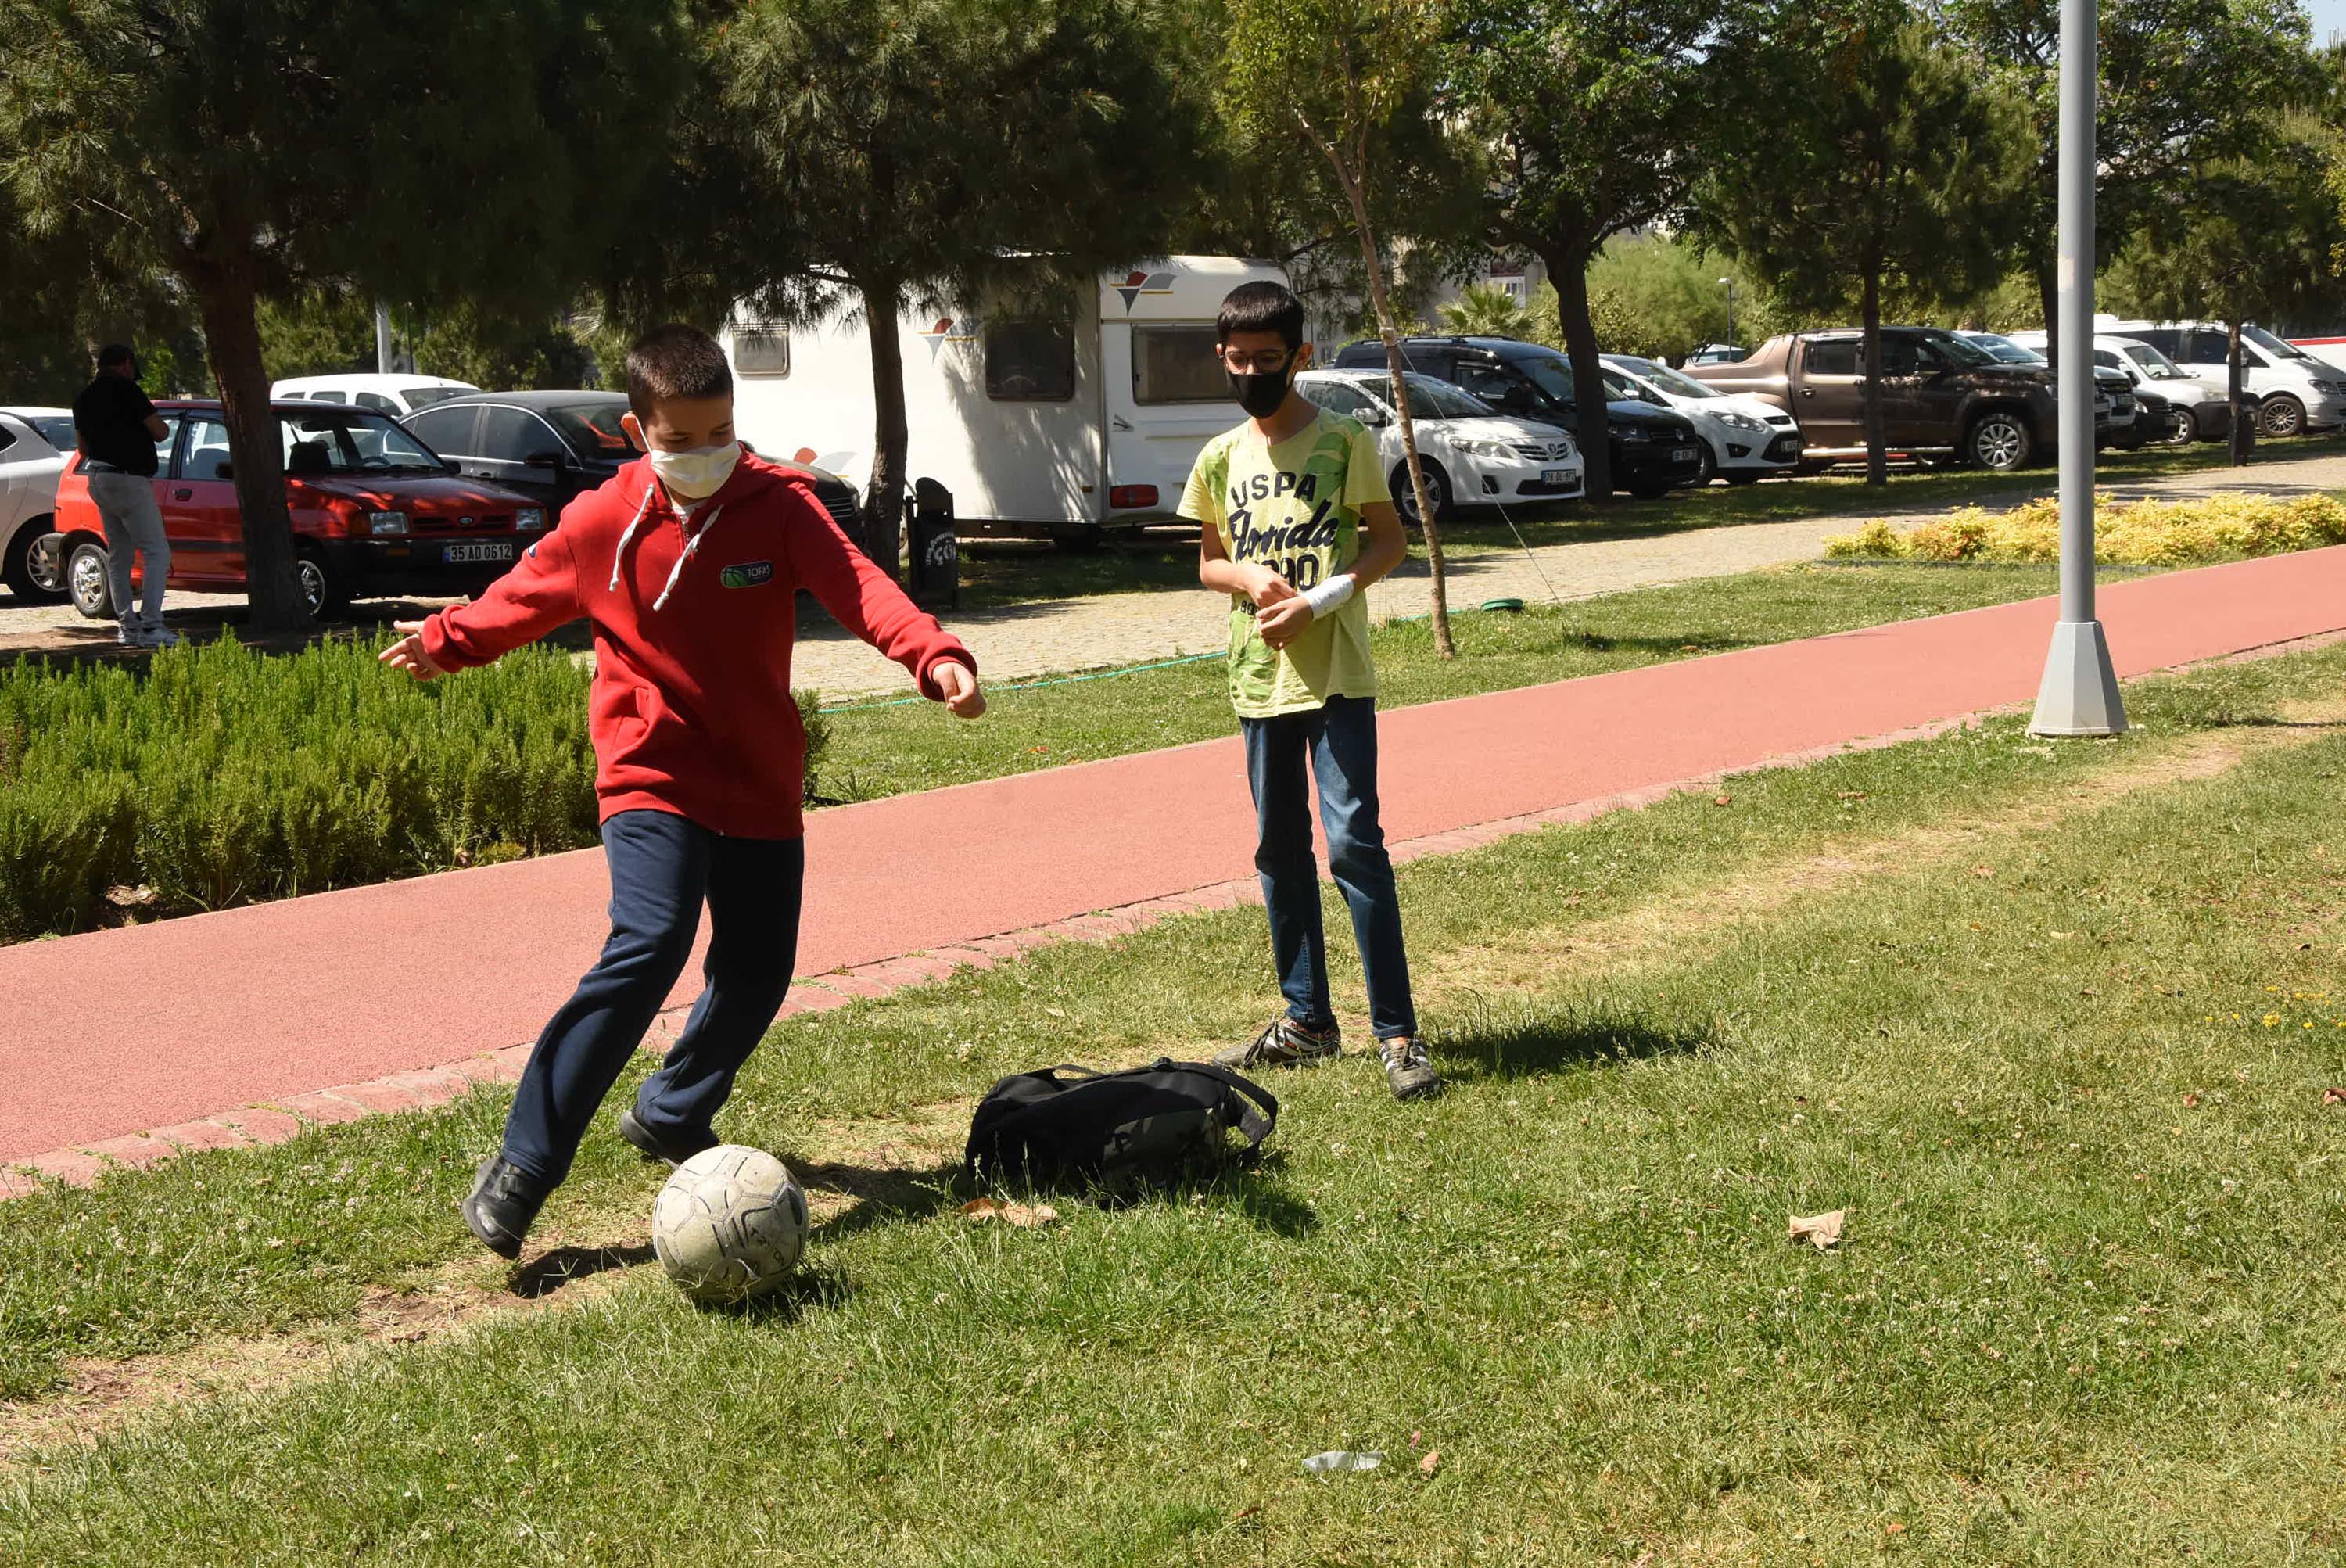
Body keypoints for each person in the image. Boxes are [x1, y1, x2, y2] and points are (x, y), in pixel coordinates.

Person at [381, 323, 986, 1258]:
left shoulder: (778, 506)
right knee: (651, 940)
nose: (706, 455)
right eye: (682, 439)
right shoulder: (598, 522)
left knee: (756, 972)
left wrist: (934, 655)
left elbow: (859, 585)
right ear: (637, 430)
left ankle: (670, 1109)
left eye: (721, 433)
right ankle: (524, 1166)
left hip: (757, 777)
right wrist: (445, 641)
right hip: (649, 770)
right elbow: (522, 597)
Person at [1176, 281, 1440, 1102]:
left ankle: (1396, 1033)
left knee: (1355, 841)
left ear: (1301, 357)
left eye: (1268, 359)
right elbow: (1206, 560)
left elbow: (1390, 542)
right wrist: (1248, 575)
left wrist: (1319, 600)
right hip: (1258, 681)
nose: (1252, 372)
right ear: (1221, 358)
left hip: (1334, 678)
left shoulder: (1346, 439)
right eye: (1238, 360)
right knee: (1279, 850)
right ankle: (1307, 1020)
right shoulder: (1220, 457)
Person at [72, 343, 178, 648]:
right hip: (129, 479)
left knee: (119, 555)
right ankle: (152, 627)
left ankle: (127, 627)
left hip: (98, 477)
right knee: (157, 552)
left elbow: (83, 448)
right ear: (126, 365)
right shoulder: (128, 391)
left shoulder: (84, 398)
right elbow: (159, 432)